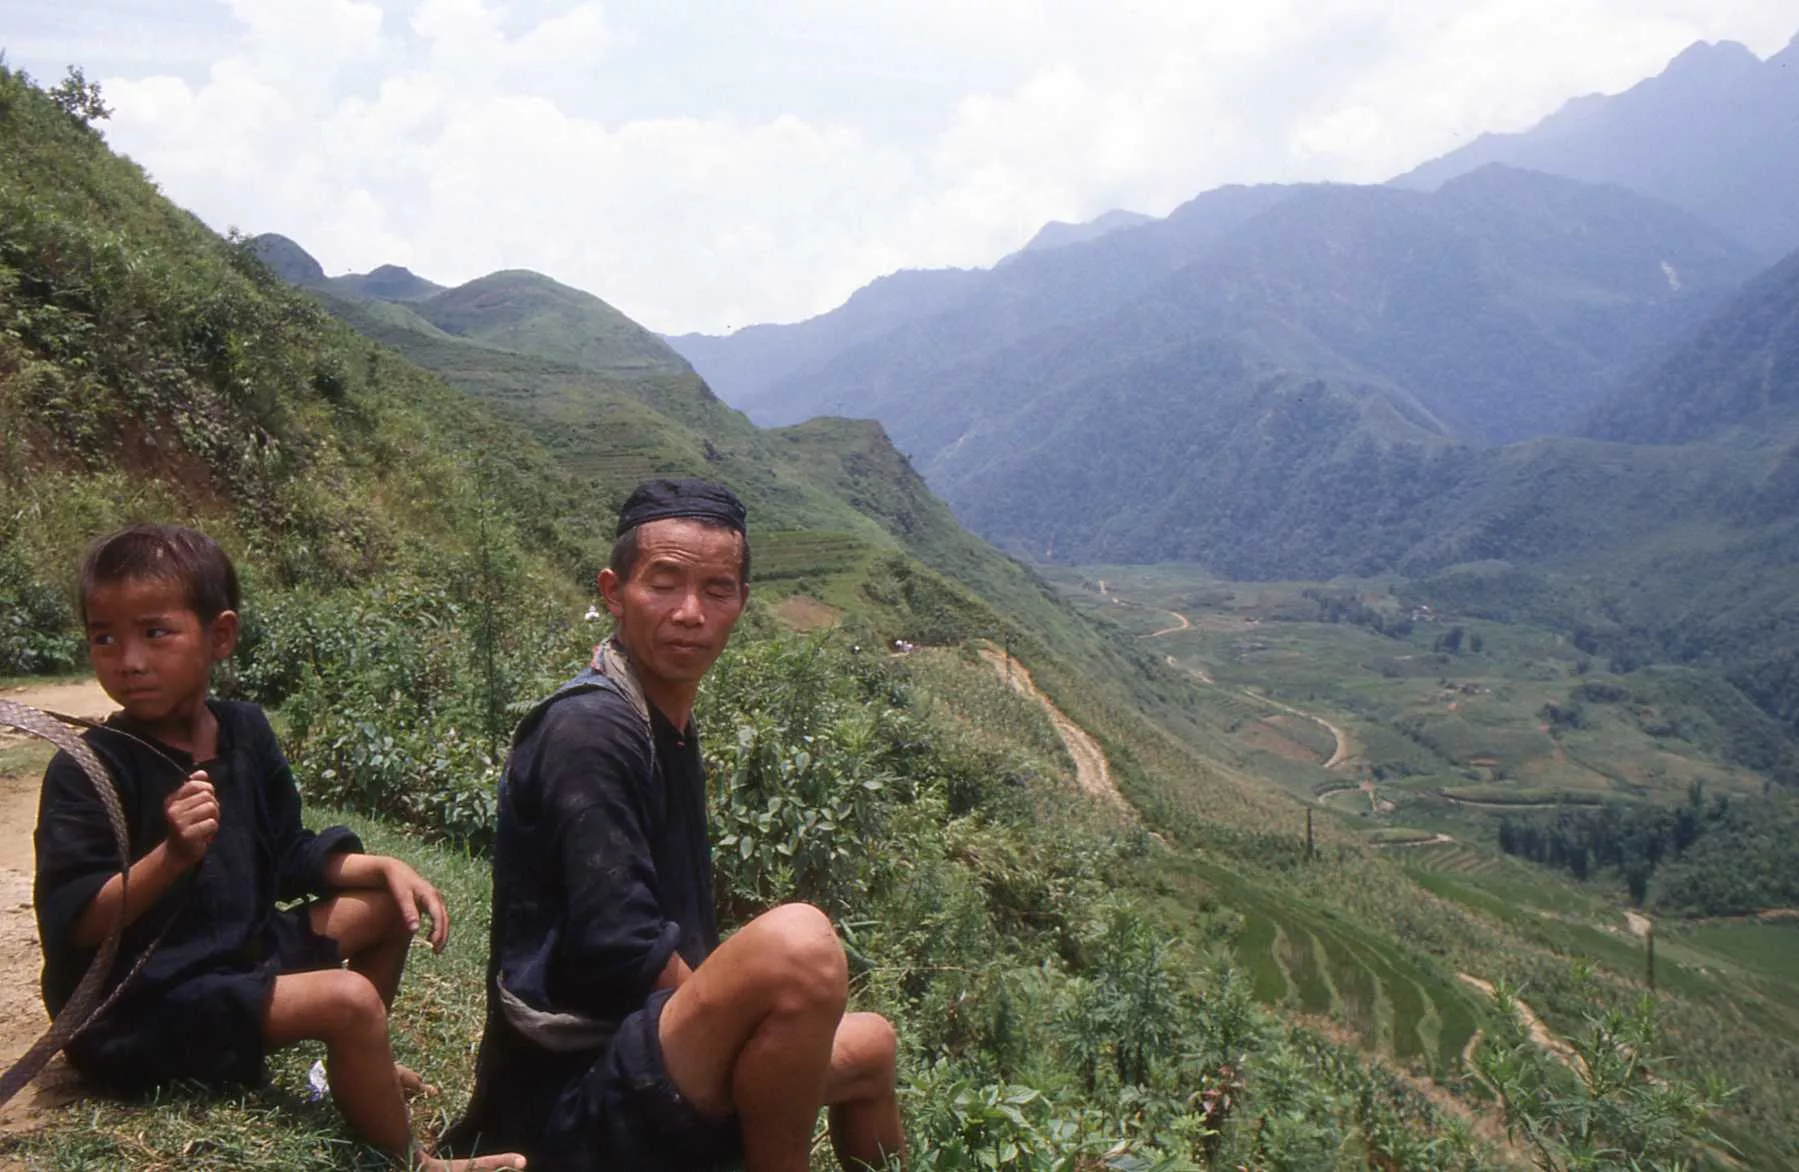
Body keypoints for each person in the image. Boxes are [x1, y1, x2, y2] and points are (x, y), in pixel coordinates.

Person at [32, 523, 524, 1171]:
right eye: (104, 637)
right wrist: (171, 857)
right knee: (348, 1001)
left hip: (239, 956)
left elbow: (289, 849)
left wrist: (384, 866)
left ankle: (353, 1063)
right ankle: (413, 1160)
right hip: (139, 1010)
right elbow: (78, 923)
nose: (129, 659)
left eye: (155, 632)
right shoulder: (90, 769)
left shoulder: (244, 731)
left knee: (382, 903)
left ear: (220, 637)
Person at [444, 479, 903, 1172]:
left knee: (871, 1045)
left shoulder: (667, 724)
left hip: (640, 1059)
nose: (690, 613)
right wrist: (739, 1035)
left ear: (740, 605)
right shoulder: (590, 729)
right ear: (612, 591)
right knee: (801, 944)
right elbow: (619, 945)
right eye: (663, 584)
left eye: (717, 590)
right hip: (566, 1104)